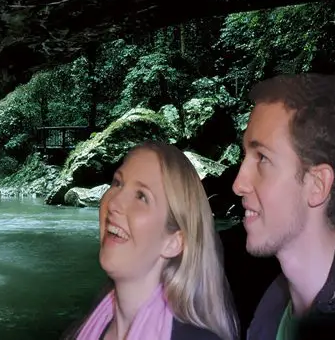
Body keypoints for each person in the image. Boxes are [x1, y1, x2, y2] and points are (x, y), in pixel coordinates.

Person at [72, 142, 239, 340]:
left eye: (141, 196)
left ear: (174, 242)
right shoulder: (88, 328)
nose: (114, 203)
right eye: (117, 183)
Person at [232, 74, 335, 339]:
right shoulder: (271, 306)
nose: (238, 184)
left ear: (317, 185)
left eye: (262, 157)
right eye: (245, 156)